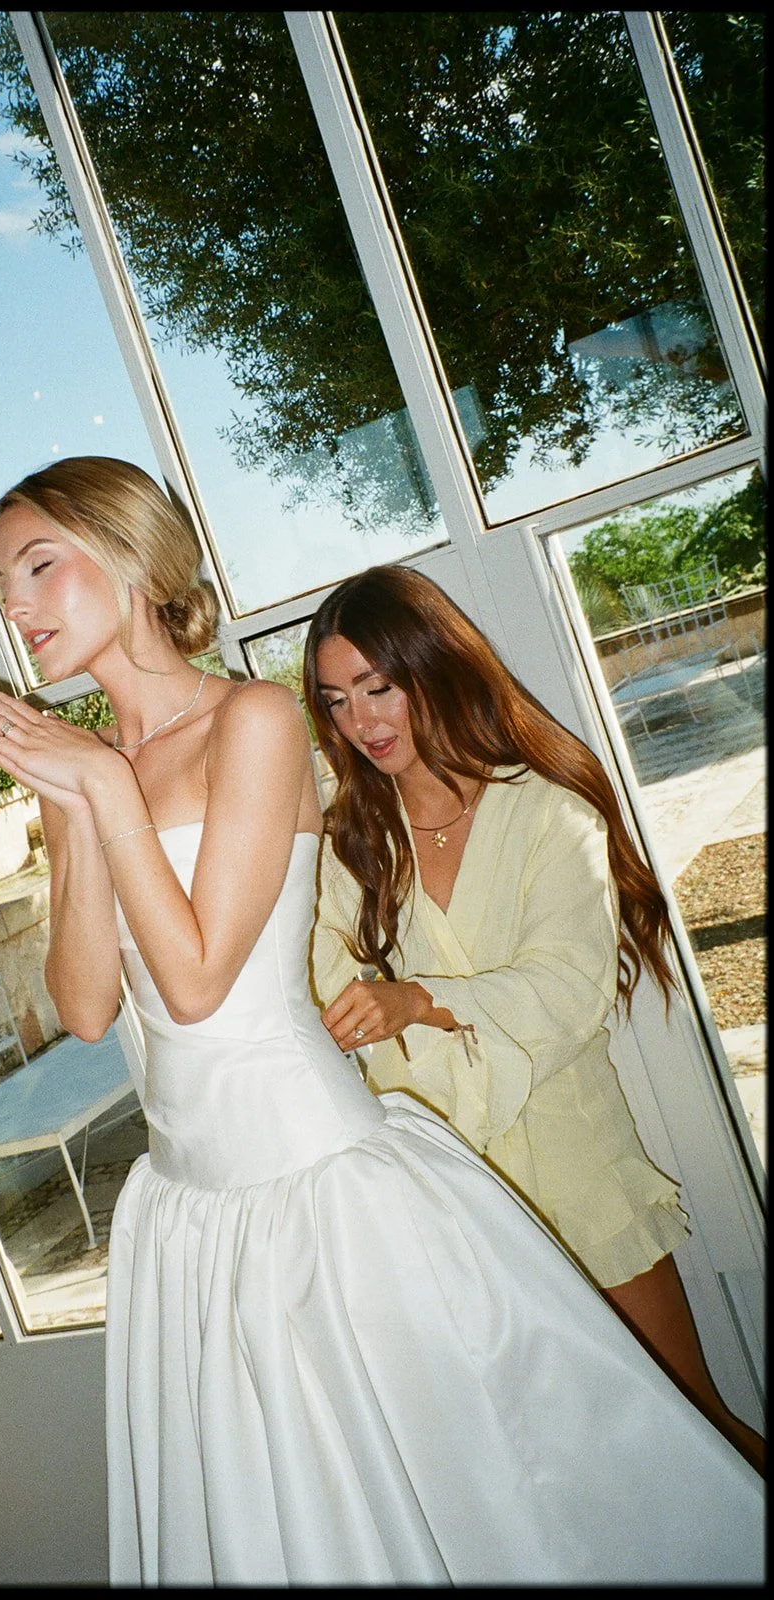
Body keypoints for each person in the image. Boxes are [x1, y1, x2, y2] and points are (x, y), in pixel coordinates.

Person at [0, 457, 761, 1586]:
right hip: (190, 1200)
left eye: (37, 565)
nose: (13, 601)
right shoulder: (85, 770)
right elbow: (89, 1006)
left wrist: (102, 792)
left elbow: (194, 984)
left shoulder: (250, 719)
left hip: (316, 1177)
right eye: (1, 579)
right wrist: (84, 793)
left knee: (510, 1486)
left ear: (131, 554)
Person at [304, 561, 765, 1476]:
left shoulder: (548, 811)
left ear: (434, 667)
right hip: (443, 1197)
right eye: (334, 701)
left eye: (377, 686)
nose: (360, 721)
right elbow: (321, 988)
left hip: (574, 1171)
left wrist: (416, 1000)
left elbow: (567, 987)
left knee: (692, 1429)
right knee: (556, 1468)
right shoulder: (347, 842)